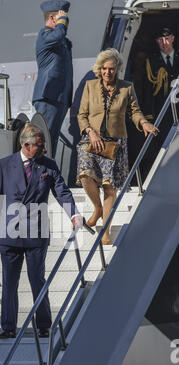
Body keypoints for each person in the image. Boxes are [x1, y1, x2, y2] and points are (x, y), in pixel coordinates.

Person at [0, 124, 83, 339]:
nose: (44, 150)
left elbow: (62, 192)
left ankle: (43, 325)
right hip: (9, 232)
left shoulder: (48, 165)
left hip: (36, 232)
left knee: (37, 279)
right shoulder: (4, 165)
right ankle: (8, 327)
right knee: (9, 283)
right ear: (26, 145)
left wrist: (74, 214)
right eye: (40, 146)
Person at [77, 48, 158, 245]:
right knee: (85, 176)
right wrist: (91, 132)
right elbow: (82, 115)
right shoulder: (90, 86)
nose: (107, 72)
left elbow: (134, 111)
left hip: (114, 143)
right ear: (99, 69)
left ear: (117, 69)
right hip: (91, 139)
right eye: (104, 69)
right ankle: (97, 208)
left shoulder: (126, 88)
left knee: (109, 188)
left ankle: (105, 231)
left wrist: (143, 123)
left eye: (111, 69)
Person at [32, 0, 73, 158]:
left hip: (59, 97)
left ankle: (47, 175)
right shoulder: (44, 36)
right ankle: (38, 176)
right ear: (52, 17)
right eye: (62, 16)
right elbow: (58, 35)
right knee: (43, 141)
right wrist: (62, 24)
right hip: (48, 96)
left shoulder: (61, 41)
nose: (66, 20)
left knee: (51, 142)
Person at [139, 26, 179, 180]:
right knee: (161, 149)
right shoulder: (151, 62)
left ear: (173, 38)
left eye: (167, 38)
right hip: (161, 113)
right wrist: (149, 118)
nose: (164, 42)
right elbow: (147, 91)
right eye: (160, 39)